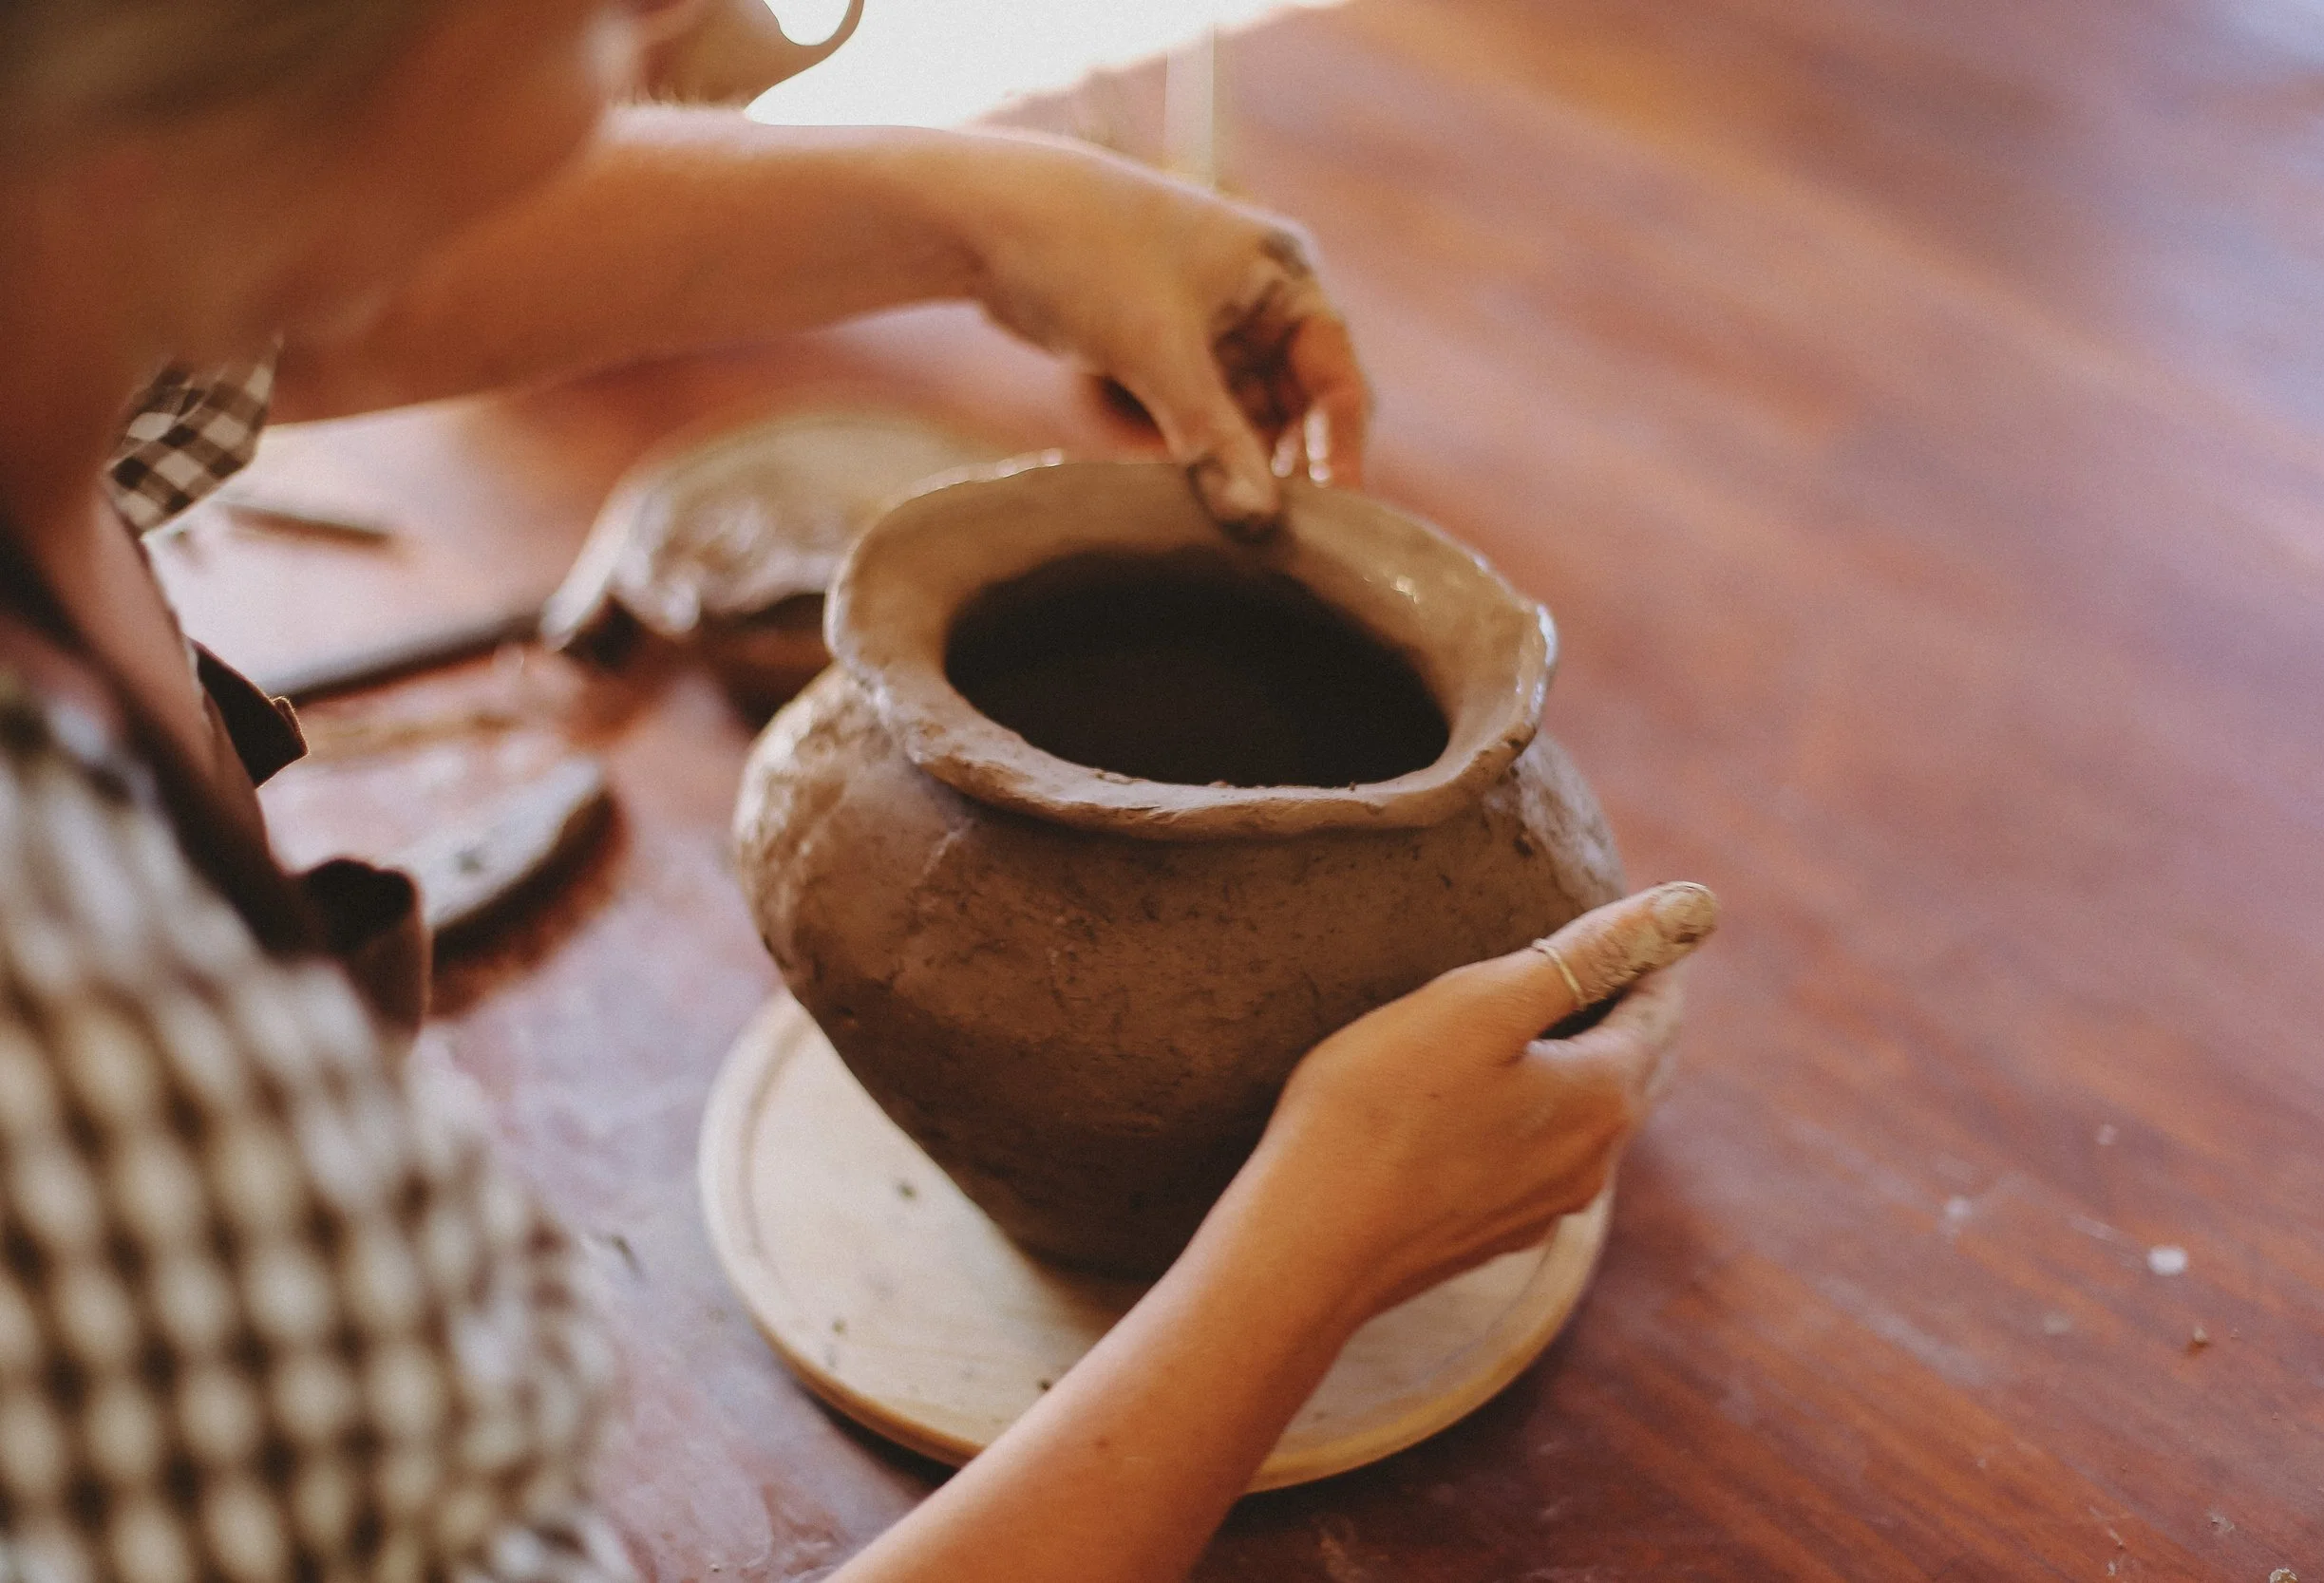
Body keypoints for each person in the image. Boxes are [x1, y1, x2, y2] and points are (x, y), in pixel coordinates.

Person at [0, 4, 1698, 1581]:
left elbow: (314, 287)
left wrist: (992, 216)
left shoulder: (63, 265)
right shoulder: (76, 1034)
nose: (690, 25)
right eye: (594, 13)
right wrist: (1304, 1267)